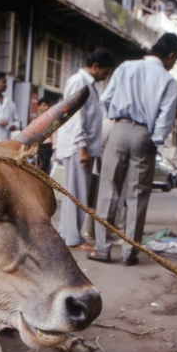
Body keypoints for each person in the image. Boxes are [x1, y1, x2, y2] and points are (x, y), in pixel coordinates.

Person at [87, 33, 177, 266]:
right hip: (144, 135)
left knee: (108, 190)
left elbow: (107, 99)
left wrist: (118, 118)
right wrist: (155, 139)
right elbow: (165, 118)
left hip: (119, 129)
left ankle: (102, 249)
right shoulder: (168, 81)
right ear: (170, 55)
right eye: (176, 59)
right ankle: (129, 253)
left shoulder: (126, 67)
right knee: (137, 195)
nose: (173, 63)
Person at [57, 48, 116, 252]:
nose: (104, 76)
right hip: (78, 147)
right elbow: (75, 116)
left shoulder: (88, 84)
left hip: (83, 147)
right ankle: (72, 238)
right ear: (96, 66)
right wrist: (82, 146)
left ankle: (68, 234)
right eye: (105, 72)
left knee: (75, 192)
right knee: (77, 193)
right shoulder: (79, 81)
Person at [34, 96, 56, 173]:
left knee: (43, 166)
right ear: (39, 107)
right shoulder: (36, 120)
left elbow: (54, 133)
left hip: (48, 145)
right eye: (44, 105)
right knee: (38, 166)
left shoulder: (51, 119)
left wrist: (54, 147)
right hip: (39, 146)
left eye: (47, 105)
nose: (46, 107)